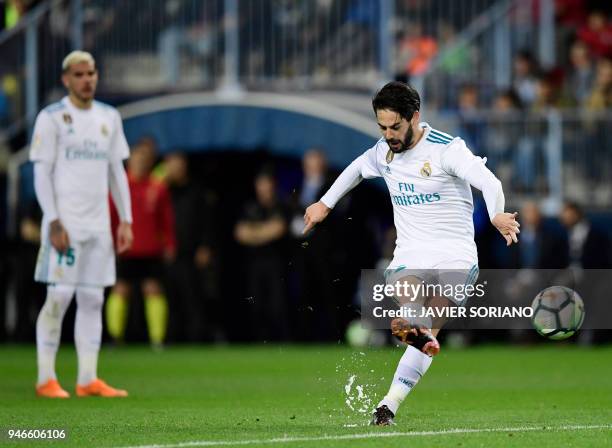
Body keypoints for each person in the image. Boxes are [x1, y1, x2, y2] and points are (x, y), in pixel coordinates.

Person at [303, 81, 519, 425]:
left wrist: (495, 214)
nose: (388, 134)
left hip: (455, 254)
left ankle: (394, 391)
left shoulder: (447, 150)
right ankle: (393, 392)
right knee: (413, 303)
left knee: (427, 330)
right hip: (412, 251)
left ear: (414, 117)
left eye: (395, 126)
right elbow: (357, 169)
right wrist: (324, 204)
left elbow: (489, 182)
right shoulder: (383, 153)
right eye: (382, 127)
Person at [30, 51, 133, 398]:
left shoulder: (109, 116)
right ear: (66, 79)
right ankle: (46, 378)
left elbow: (116, 172)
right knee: (58, 296)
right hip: (66, 226)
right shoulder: (52, 118)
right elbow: (41, 173)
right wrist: (53, 219)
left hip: (99, 227)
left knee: (92, 299)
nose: (86, 79)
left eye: (91, 73)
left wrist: (126, 220)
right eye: (79, 74)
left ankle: (88, 378)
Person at [106, 139, 176, 349]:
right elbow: (110, 217)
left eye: (145, 159)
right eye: (138, 158)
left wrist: (170, 243)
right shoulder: (119, 185)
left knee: (153, 290)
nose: (141, 163)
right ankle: (115, 338)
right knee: (120, 290)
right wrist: (109, 244)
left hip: (150, 249)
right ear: (130, 160)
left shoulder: (157, 187)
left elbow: (166, 219)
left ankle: (157, 340)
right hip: (126, 249)